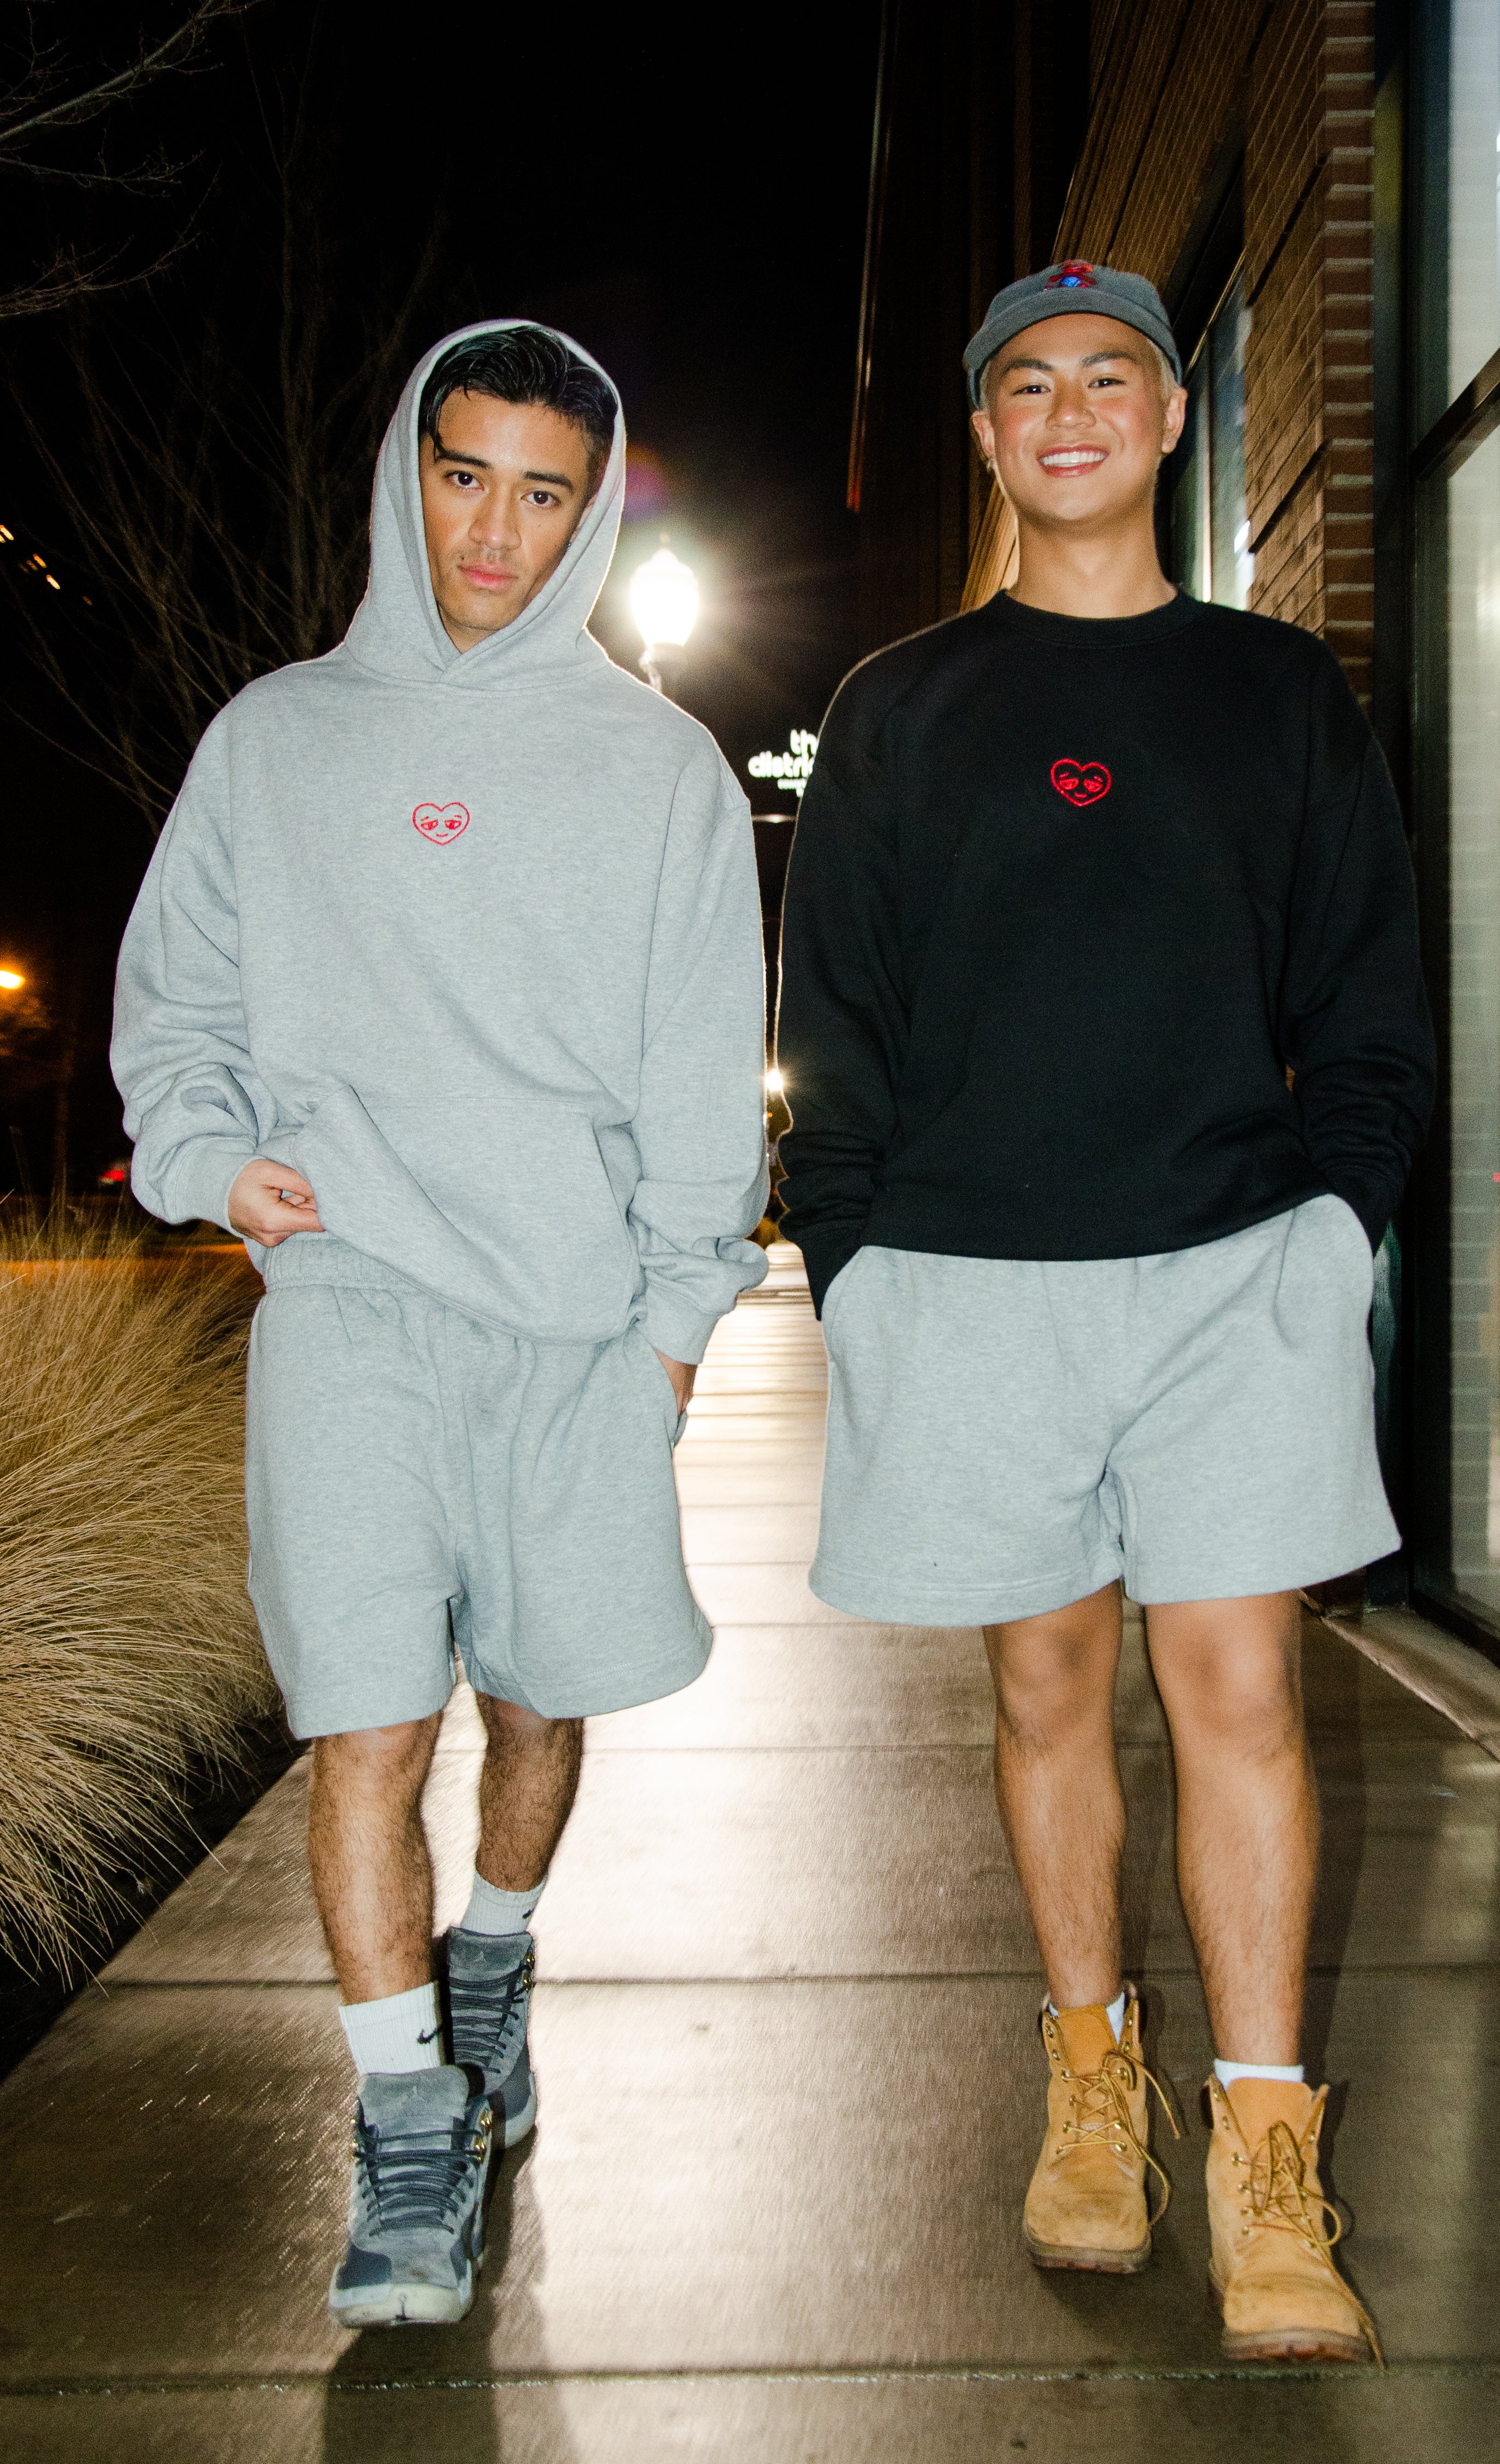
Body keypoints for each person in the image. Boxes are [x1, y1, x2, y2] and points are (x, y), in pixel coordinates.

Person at [775, 261, 1433, 2364]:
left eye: (1110, 377)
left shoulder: (1275, 692)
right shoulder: (899, 705)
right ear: (987, 434)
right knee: (1048, 1686)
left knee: (1238, 1691)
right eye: (1028, 384)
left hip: (1232, 1268)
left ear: (1166, 418)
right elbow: (835, 1022)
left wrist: (1333, 1228)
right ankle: (1087, 2084)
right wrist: (853, 1263)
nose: (1068, 409)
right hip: (971, 1279)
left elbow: (1365, 996)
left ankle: (1261, 2149)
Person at [113, 321, 768, 2326]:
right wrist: (211, 1160)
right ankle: (409, 2130)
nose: (494, 528)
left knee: (540, 1707)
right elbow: (178, 1002)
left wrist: (672, 1330)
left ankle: (493, 1962)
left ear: (590, 516)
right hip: (351, 1303)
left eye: (542, 493)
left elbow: (699, 1073)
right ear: (409, 473)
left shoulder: (655, 770)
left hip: (573, 1328)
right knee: (366, 1720)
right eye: (461, 474)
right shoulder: (275, 740)